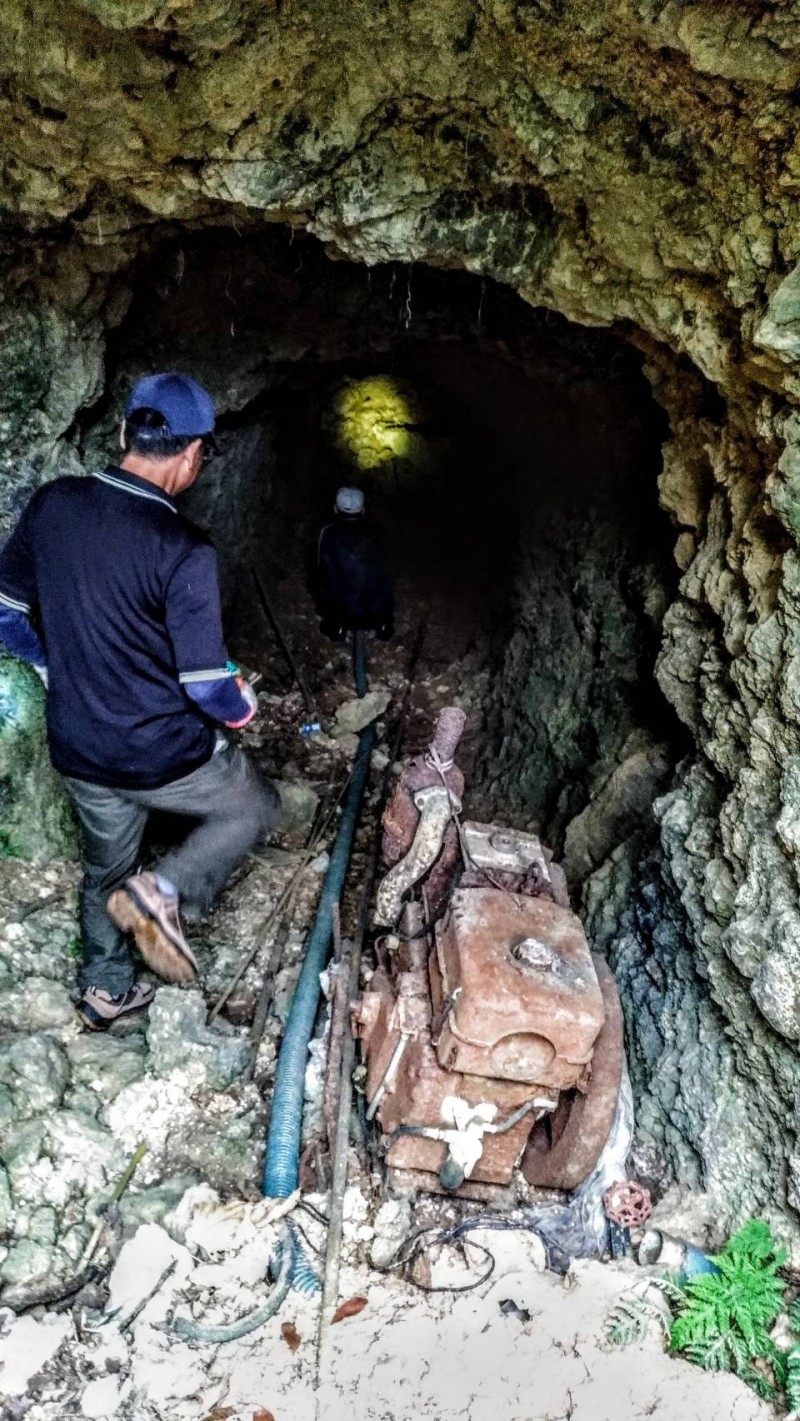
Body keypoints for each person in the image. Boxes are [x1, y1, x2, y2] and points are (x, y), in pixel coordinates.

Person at [0, 371, 280, 1030]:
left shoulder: (53, 506)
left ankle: (105, 987)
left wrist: (48, 662)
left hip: (79, 745)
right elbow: (206, 683)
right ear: (192, 455)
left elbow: (6, 609)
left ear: (126, 431)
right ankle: (164, 890)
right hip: (163, 753)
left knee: (107, 864)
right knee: (253, 804)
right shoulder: (183, 549)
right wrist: (242, 706)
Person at [315, 487, 394, 642]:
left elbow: (320, 569)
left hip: (343, 612)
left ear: (335, 509)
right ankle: (384, 626)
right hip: (375, 613)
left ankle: (337, 627)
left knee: (325, 580)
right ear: (363, 510)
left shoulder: (328, 533)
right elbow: (388, 570)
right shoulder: (378, 532)